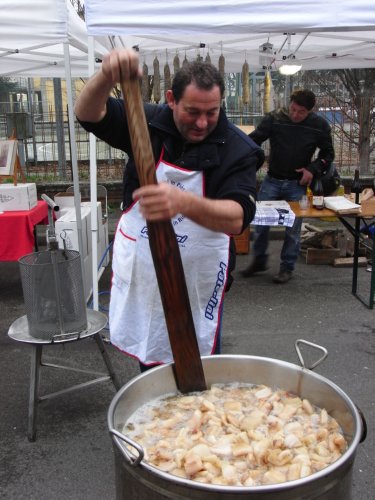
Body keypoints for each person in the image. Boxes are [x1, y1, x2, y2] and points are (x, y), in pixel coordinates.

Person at [74, 48, 264, 370]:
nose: (202, 122)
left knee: (197, 370)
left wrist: (182, 202)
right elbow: (88, 113)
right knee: (151, 367)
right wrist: (107, 76)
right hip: (145, 270)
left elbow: (237, 218)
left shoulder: (237, 149)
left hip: (197, 280)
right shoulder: (144, 121)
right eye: (192, 111)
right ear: (171, 99)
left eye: (212, 112)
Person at [242, 89, 335, 284]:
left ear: (310, 111)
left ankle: (287, 267)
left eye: (301, 112)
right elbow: (253, 140)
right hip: (272, 180)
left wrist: (313, 169)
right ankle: (259, 260)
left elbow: (328, 154)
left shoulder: (319, 126)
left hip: (297, 184)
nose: (295, 115)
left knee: (292, 229)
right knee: (260, 224)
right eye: (293, 109)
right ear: (289, 104)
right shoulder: (275, 118)